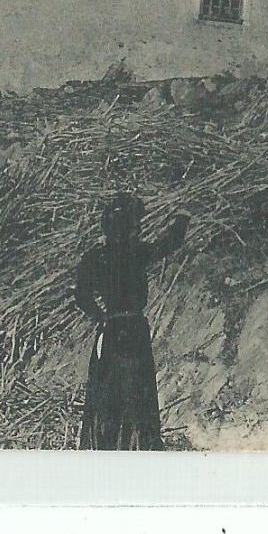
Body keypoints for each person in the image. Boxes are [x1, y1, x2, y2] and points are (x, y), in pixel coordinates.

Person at [72, 193, 190, 450]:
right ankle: (138, 447)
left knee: (108, 395)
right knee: (137, 393)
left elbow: (81, 295)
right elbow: (167, 244)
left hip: (112, 330)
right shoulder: (137, 251)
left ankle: (108, 447)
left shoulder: (96, 256)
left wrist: (100, 317)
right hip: (135, 329)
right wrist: (183, 218)